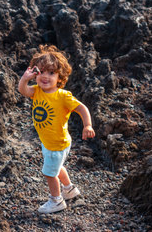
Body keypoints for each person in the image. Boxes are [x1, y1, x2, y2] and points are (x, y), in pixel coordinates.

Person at [18, 44, 96, 214]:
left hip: (58, 144)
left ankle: (57, 201)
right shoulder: (37, 91)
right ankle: (69, 190)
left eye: (51, 73)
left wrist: (87, 125)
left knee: (49, 173)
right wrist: (25, 78)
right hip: (48, 142)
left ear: (60, 76)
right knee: (57, 167)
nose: (45, 76)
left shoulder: (62, 96)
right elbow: (22, 90)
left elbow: (82, 108)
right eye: (42, 72)